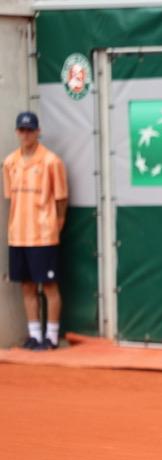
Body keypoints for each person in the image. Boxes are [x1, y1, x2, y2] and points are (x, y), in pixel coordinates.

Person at [2, 111, 68, 350]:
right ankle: (34, 335)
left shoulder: (52, 161)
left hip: (43, 235)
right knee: (27, 286)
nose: (26, 134)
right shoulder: (9, 162)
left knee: (49, 286)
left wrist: (56, 225)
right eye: (22, 130)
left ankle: (51, 337)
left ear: (38, 132)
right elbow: (11, 198)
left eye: (30, 130)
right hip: (18, 236)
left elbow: (61, 199)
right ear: (17, 132)